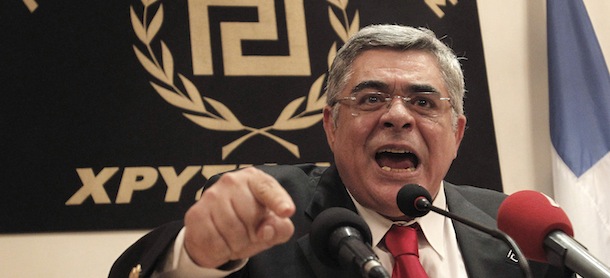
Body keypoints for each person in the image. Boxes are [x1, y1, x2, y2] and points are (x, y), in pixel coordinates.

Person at [110, 24, 567, 277]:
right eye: (371, 99)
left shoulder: (513, 231)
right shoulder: (267, 215)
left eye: (423, 102)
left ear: (457, 134)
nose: (398, 117)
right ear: (331, 125)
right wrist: (195, 257)